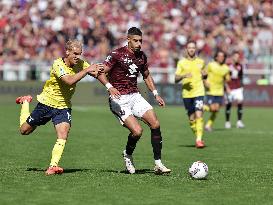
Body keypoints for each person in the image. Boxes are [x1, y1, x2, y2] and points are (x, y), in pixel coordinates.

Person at [16, 39, 103, 175]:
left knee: (63, 134)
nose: (77, 57)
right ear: (67, 52)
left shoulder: (80, 64)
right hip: (47, 104)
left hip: (63, 107)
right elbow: (69, 81)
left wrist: (110, 84)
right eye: (74, 53)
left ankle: (53, 166)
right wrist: (87, 70)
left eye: (79, 54)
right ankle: (25, 102)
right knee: (24, 131)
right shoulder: (58, 64)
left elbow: (97, 73)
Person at [97, 27, 171, 174]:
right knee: (137, 132)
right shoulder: (116, 54)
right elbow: (100, 72)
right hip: (119, 99)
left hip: (135, 96)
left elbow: (146, 75)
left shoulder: (142, 56)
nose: (139, 44)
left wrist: (155, 93)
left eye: (141, 41)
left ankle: (158, 163)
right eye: (136, 41)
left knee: (155, 124)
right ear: (128, 39)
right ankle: (128, 154)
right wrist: (109, 87)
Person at [175, 41, 206, 148]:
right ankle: (198, 136)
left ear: (196, 49)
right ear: (186, 49)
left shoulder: (201, 62)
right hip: (187, 94)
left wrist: (205, 75)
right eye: (189, 47)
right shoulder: (181, 62)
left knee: (199, 114)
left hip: (199, 92)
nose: (191, 49)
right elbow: (175, 79)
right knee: (192, 119)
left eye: (193, 47)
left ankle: (198, 140)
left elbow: (204, 75)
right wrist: (183, 76)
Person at [204, 50, 230, 131]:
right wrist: (205, 82)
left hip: (220, 91)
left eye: (223, 56)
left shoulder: (226, 68)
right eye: (220, 56)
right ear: (216, 57)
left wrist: (227, 87)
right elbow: (203, 74)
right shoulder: (211, 65)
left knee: (217, 110)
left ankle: (208, 125)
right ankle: (201, 107)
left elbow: (226, 79)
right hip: (211, 90)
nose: (221, 58)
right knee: (213, 108)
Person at [225, 51, 245, 129]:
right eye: (235, 57)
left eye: (238, 57)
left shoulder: (240, 66)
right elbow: (224, 77)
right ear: (232, 57)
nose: (237, 58)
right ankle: (227, 122)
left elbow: (241, 76)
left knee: (240, 102)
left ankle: (239, 121)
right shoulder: (227, 66)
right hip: (230, 87)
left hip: (238, 87)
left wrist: (242, 86)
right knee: (229, 104)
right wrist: (226, 87)